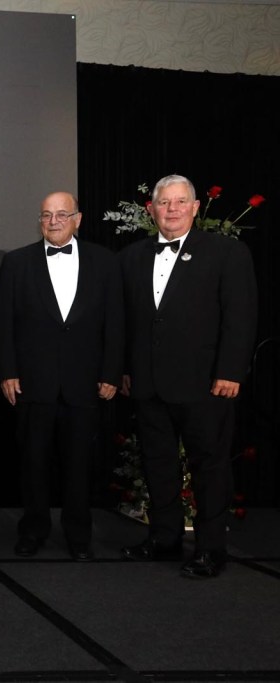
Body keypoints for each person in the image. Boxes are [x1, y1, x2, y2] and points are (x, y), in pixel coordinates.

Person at [118, 174, 257, 579]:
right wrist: (125, 370)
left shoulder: (227, 254)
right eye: (165, 203)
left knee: (209, 467)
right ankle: (164, 540)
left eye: (181, 202)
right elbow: (127, 322)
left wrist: (231, 371)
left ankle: (212, 549)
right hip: (147, 383)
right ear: (152, 209)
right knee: (157, 464)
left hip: (205, 384)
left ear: (195, 208)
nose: (173, 209)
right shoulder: (131, 257)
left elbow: (241, 317)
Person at [0, 192, 123, 561]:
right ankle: (33, 530)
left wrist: (111, 372)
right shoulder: (17, 263)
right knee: (33, 463)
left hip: (86, 383)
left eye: (61, 214)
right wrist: (7, 371)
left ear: (78, 219)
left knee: (80, 464)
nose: (53, 221)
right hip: (33, 383)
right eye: (46, 215)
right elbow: (4, 325)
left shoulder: (105, 261)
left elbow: (115, 322)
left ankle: (78, 535)